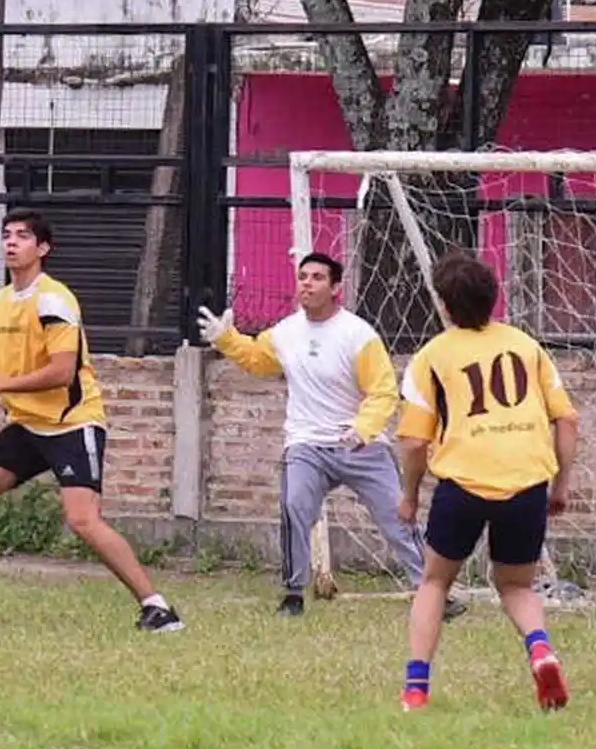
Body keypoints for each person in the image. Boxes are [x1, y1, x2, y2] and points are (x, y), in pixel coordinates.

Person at [0, 208, 185, 633]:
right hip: (27, 425)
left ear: (42, 248)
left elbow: (61, 371)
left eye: (22, 236)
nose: (11, 242)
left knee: (83, 520)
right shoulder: (0, 301)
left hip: (71, 422)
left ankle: (158, 608)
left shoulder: (54, 299)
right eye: (7, 234)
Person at [198, 252, 466, 621]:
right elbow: (260, 360)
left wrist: (364, 427)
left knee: (398, 517)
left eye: (317, 277)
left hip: (360, 444)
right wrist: (226, 339)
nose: (307, 283)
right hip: (306, 444)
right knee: (294, 507)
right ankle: (293, 594)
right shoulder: (286, 332)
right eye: (303, 276)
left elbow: (384, 390)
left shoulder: (358, 335)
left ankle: (435, 595)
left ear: (335, 287)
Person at [396, 250, 578, 712]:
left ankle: (416, 689)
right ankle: (540, 649)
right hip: (527, 481)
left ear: (444, 305)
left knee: (435, 582)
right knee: (518, 586)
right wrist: (560, 486)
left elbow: (415, 443)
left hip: (465, 482)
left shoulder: (431, 357)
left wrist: (409, 496)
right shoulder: (526, 345)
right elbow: (567, 422)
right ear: (495, 297)